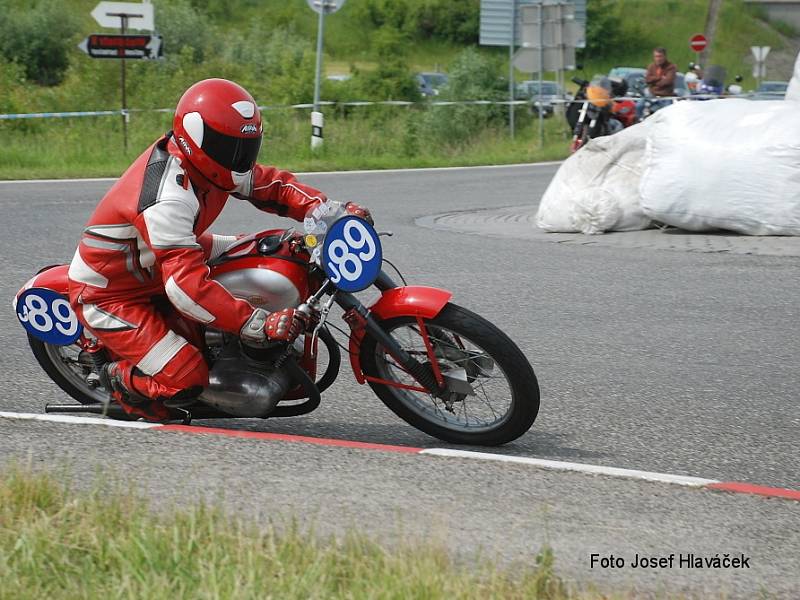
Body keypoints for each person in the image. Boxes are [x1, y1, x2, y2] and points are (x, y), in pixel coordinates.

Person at [67, 78, 370, 421]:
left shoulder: (214, 162)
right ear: (196, 140)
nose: (240, 158)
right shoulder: (166, 198)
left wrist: (328, 209)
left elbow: (273, 186)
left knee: (282, 248)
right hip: (113, 290)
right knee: (186, 379)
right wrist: (257, 324)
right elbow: (186, 288)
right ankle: (121, 380)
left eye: (246, 146)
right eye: (230, 147)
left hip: (168, 253)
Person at [636, 47, 677, 120]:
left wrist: (654, 82)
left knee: (668, 114)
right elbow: (647, 79)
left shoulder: (671, 67)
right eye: (656, 56)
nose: (658, 59)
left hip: (665, 97)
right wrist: (660, 77)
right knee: (639, 105)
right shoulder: (651, 66)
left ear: (665, 56)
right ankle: (638, 122)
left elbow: (667, 81)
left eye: (660, 56)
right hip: (651, 95)